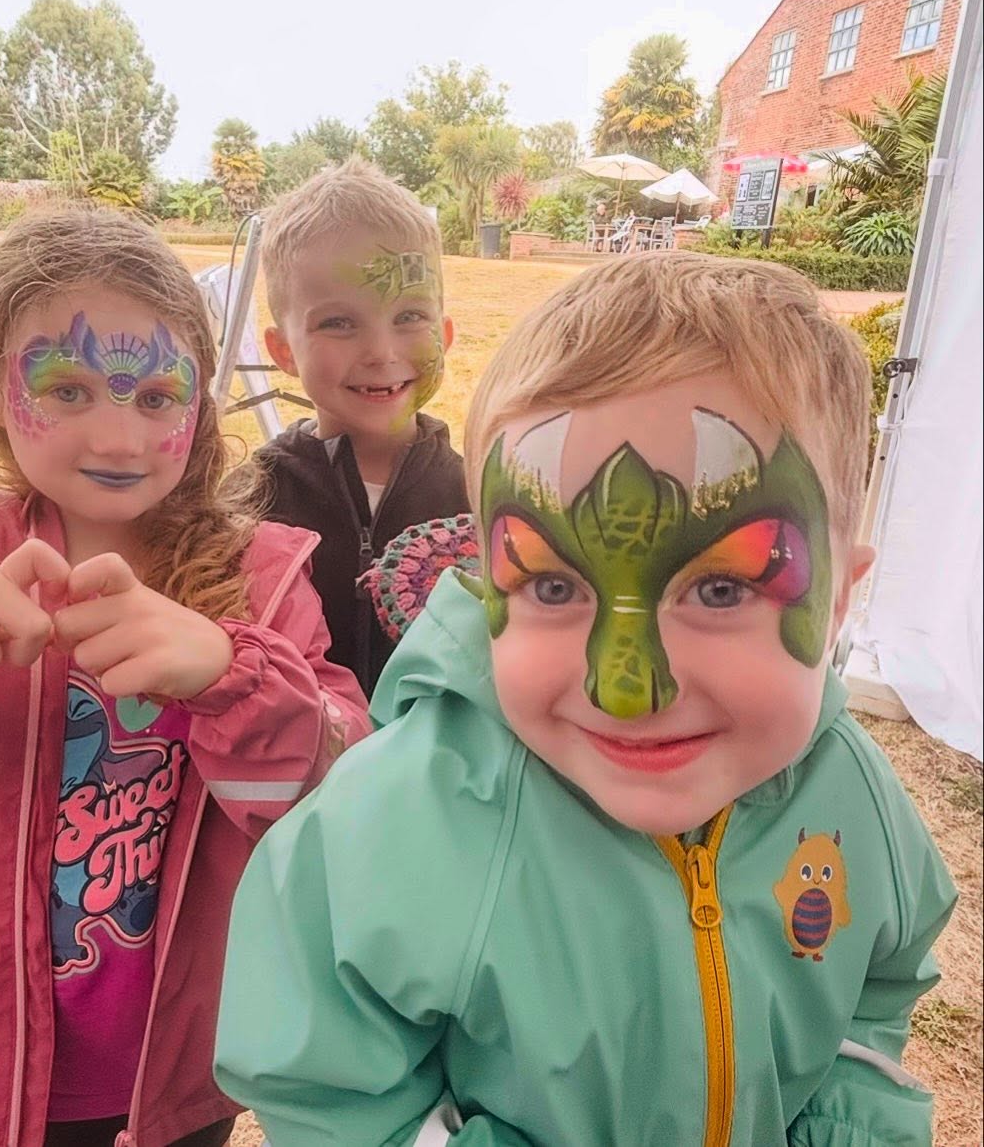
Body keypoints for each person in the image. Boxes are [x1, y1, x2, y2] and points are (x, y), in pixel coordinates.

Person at [213, 252, 958, 1145]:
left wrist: (848, 1128)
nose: (628, 687)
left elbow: (876, 982)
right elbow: (321, 1070)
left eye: (721, 590)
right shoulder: (406, 813)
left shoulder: (856, 795)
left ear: (841, 599)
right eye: (554, 587)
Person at [0, 207, 369, 1147]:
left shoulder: (266, 584)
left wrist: (229, 673)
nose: (118, 439)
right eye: (68, 388)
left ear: (200, 405)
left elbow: (345, 789)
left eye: (156, 396)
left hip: (173, 1090)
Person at [248, 158, 470, 696]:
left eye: (409, 317)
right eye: (339, 323)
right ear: (282, 350)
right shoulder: (250, 505)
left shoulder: (479, 502)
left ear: (444, 331)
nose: (381, 352)